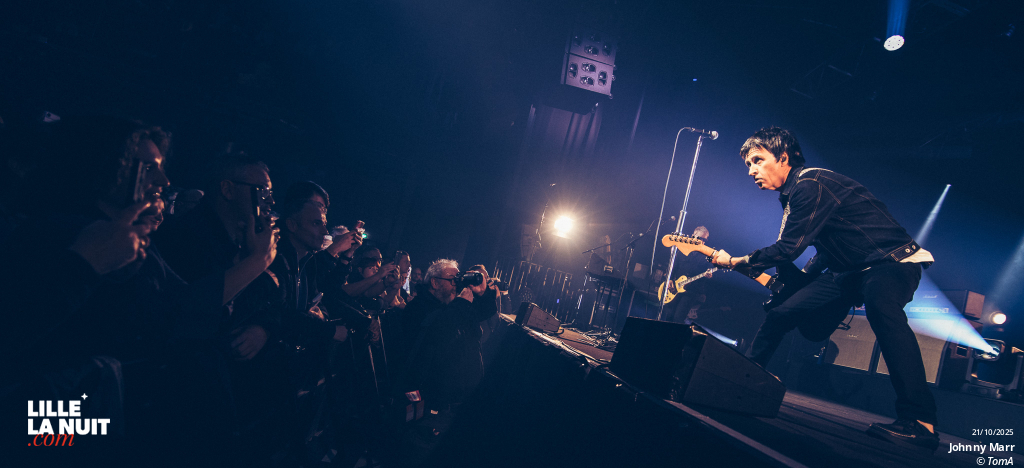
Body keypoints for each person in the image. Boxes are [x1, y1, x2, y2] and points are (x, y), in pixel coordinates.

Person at [710, 127, 939, 450]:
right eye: (748, 164)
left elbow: (788, 247)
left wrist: (738, 260)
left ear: (784, 157)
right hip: (848, 271)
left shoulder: (810, 184)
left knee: (882, 309)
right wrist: (801, 285)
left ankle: (921, 422)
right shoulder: (792, 194)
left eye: (758, 161)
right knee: (780, 314)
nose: (752, 171)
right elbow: (821, 248)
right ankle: (742, 384)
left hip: (892, 262)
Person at [662, 226, 712, 324]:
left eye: (704, 239)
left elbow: (710, 272)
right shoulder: (682, 250)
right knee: (668, 315)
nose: (702, 241)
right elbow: (672, 267)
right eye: (700, 238)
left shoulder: (706, 255)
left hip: (690, 292)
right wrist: (670, 279)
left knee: (678, 318)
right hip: (674, 289)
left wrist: (709, 275)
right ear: (693, 236)